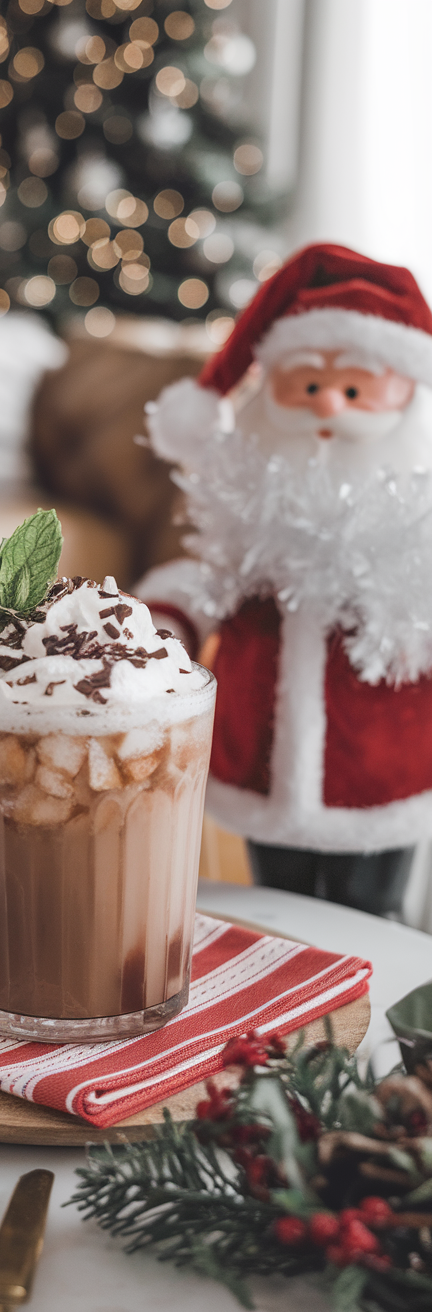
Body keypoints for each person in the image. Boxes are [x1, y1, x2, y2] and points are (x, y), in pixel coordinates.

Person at [138, 243, 432, 917]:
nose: (329, 402)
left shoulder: (420, 522)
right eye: (306, 383)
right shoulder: (248, 508)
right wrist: (161, 625)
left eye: (355, 388)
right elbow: (206, 581)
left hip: (383, 777)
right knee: (275, 915)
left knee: (375, 919)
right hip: (259, 768)